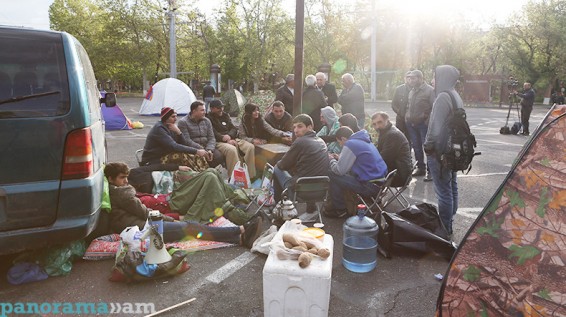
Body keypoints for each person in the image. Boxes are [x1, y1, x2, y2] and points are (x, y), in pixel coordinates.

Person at [104, 162, 262, 248]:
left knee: (191, 227)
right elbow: (146, 213)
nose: (126, 181)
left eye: (126, 177)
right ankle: (240, 233)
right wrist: (172, 220)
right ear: (111, 179)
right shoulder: (123, 194)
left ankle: (240, 235)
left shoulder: (120, 191)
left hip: (145, 226)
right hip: (146, 229)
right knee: (191, 228)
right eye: (122, 178)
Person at [423, 65, 461, 236]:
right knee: (452, 186)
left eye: (435, 77)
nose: (433, 81)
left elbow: (435, 126)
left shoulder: (442, 97)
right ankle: (449, 221)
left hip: (440, 151)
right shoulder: (455, 95)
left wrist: (428, 145)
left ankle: (445, 228)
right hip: (453, 150)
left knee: (443, 192)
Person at [273, 114, 329, 221]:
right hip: (321, 190)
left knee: (276, 168)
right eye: (294, 127)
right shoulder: (321, 141)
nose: (296, 130)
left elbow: (283, 164)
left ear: (310, 127)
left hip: (301, 191)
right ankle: (311, 209)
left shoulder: (300, 141)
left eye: (300, 126)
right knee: (309, 172)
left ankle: (280, 206)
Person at [325, 126, 387, 218]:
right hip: (382, 184)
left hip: (370, 187)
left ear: (343, 139)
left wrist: (331, 159)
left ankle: (340, 209)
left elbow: (339, 170)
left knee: (331, 174)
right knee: (337, 178)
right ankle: (339, 208)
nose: (341, 145)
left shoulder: (350, 144)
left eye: (340, 143)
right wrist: (340, 158)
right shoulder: (364, 140)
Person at [140, 107, 208, 167]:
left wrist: (179, 132)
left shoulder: (171, 127)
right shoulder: (159, 129)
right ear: (166, 118)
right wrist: (196, 151)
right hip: (153, 160)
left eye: (176, 116)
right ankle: (197, 175)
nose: (176, 119)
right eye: (173, 117)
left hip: (164, 155)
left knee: (194, 155)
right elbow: (174, 146)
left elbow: (184, 144)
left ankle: (204, 173)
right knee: (183, 156)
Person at [206, 99, 257, 179]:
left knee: (250, 147)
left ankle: (250, 176)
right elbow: (212, 132)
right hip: (219, 141)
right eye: (219, 108)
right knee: (232, 150)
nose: (221, 109)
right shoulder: (208, 118)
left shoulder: (225, 115)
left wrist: (229, 136)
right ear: (212, 109)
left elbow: (233, 128)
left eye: (222, 107)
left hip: (232, 138)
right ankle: (235, 178)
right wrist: (224, 138)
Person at [405, 69, 434, 181]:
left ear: (420, 78)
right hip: (411, 124)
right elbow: (409, 106)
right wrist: (407, 117)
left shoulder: (429, 91)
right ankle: (420, 167)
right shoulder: (412, 91)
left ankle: (430, 171)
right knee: (416, 147)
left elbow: (433, 108)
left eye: (413, 78)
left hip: (424, 125)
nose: (411, 80)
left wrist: (427, 121)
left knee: (427, 148)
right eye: (410, 78)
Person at [178, 100, 224, 168]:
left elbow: (211, 137)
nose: (204, 112)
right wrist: (201, 149)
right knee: (200, 157)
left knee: (218, 156)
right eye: (202, 110)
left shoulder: (207, 121)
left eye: (204, 110)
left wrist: (209, 149)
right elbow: (187, 141)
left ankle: (211, 173)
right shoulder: (183, 122)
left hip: (206, 147)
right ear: (194, 111)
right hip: (193, 148)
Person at [371, 112, 412, 187]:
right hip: (398, 171)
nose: (377, 126)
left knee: (362, 177)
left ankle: (371, 198)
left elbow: (384, 158)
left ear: (387, 120)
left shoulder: (392, 135)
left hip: (399, 175)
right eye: (374, 124)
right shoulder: (386, 132)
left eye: (380, 122)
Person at [391, 71, 412, 143]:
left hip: (411, 120)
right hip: (400, 119)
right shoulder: (399, 89)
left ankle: (408, 153)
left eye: (411, 77)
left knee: (409, 139)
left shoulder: (415, 89)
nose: (409, 79)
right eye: (407, 77)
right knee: (398, 138)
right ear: (404, 78)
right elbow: (393, 104)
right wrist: (399, 112)